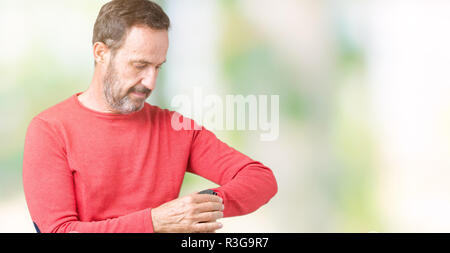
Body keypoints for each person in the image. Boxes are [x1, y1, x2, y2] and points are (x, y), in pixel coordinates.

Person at [22, 0, 277, 233]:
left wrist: (201, 205)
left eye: (158, 67)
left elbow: (260, 178)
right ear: (101, 53)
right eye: (140, 65)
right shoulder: (49, 130)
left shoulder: (175, 128)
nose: (150, 82)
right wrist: (154, 222)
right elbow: (57, 230)